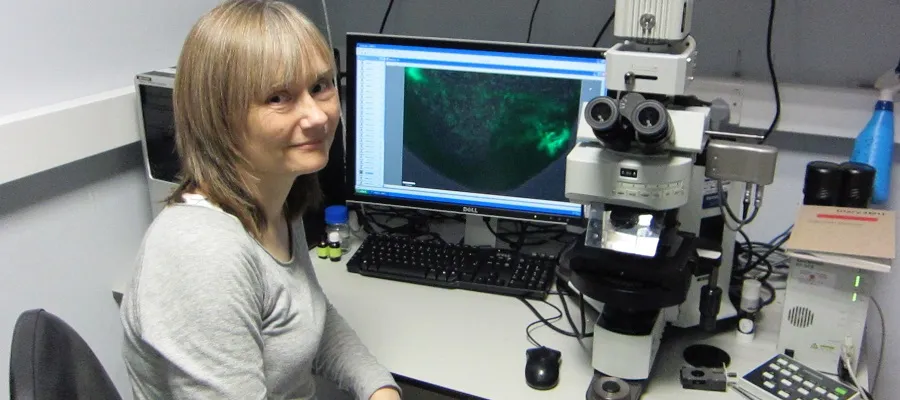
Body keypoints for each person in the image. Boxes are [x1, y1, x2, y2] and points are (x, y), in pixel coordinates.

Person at [119, 1, 401, 399]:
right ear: (219, 118)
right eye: (278, 98)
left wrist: (377, 387)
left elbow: (306, 317)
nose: (317, 117)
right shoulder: (202, 254)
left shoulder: (280, 199)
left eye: (320, 87)